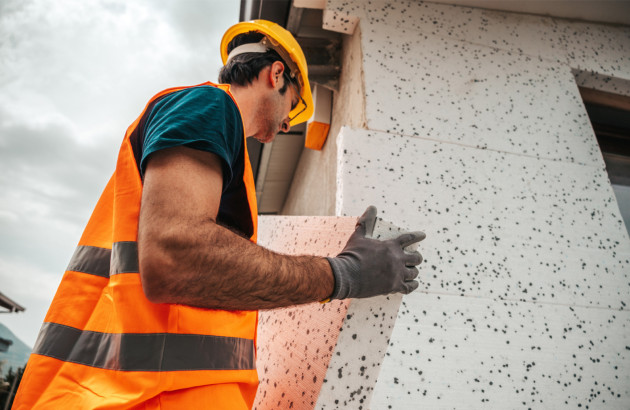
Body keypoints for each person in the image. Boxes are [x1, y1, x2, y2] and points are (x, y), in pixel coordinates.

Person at [13, 20, 425, 409]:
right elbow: (176, 259)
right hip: (143, 396)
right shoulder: (209, 105)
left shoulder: (221, 138)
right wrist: (344, 274)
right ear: (276, 75)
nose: (286, 125)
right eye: (294, 106)